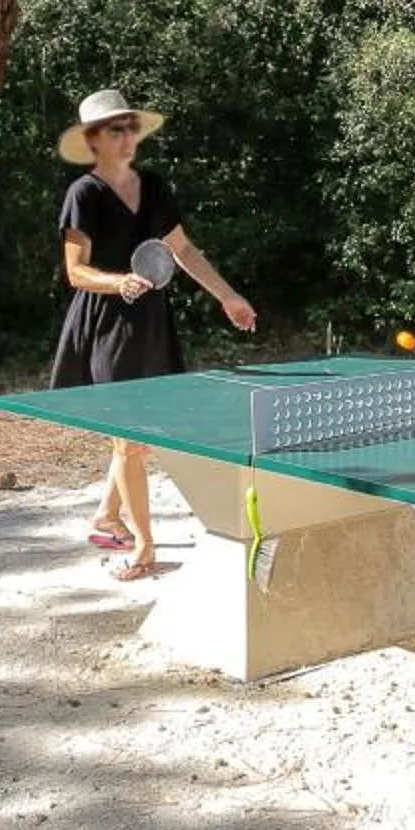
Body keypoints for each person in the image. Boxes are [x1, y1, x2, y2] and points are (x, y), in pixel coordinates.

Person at [50, 87, 257, 581]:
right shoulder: (84, 194)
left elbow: (183, 251)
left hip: (151, 324)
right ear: (94, 140)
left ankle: (105, 517)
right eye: (115, 130)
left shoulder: (156, 187)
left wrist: (227, 295)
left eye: (131, 127)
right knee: (129, 440)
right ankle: (144, 547)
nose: (127, 137)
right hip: (106, 325)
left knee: (140, 440)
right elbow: (76, 272)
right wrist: (117, 281)